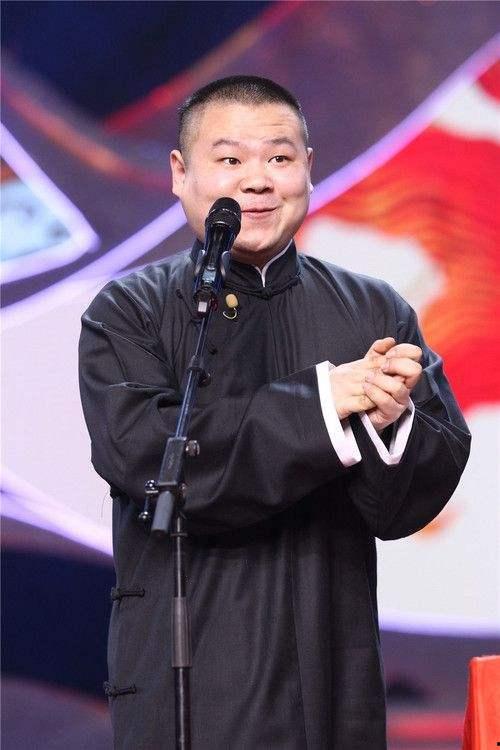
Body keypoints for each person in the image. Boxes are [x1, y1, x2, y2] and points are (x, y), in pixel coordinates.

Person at [79, 76, 470, 749]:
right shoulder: (129, 311)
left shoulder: (374, 310)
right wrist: (325, 403)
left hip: (334, 676)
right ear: (180, 173)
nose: (257, 180)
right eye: (230, 159)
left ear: (309, 169)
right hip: (190, 680)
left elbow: (408, 504)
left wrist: (391, 421)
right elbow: (147, 459)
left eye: (280, 158)